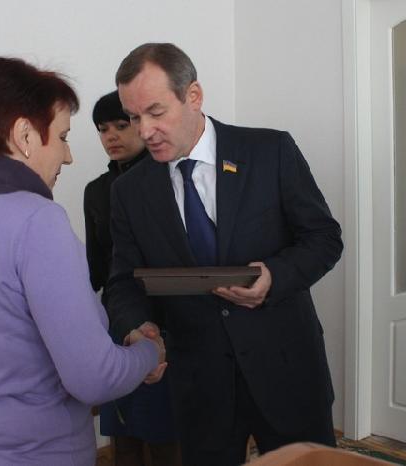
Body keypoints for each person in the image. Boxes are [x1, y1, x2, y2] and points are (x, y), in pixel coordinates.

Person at [0, 56, 165, 466]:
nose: (68, 156)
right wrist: (148, 352)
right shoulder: (38, 221)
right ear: (25, 135)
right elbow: (94, 378)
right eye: (62, 137)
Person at [106, 43, 343, 466]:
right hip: (200, 386)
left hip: (286, 370)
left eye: (156, 112)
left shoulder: (270, 151)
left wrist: (275, 276)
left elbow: (324, 238)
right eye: (134, 117)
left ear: (193, 96)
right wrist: (136, 327)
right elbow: (124, 282)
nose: (144, 131)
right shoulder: (128, 191)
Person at [84, 91, 182, 466]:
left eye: (120, 126)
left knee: (166, 434)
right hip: (117, 321)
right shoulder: (97, 191)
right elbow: (96, 269)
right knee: (122, 432)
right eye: (102, 129)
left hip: (166, 319)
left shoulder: (170, 176)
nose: (111, 136)